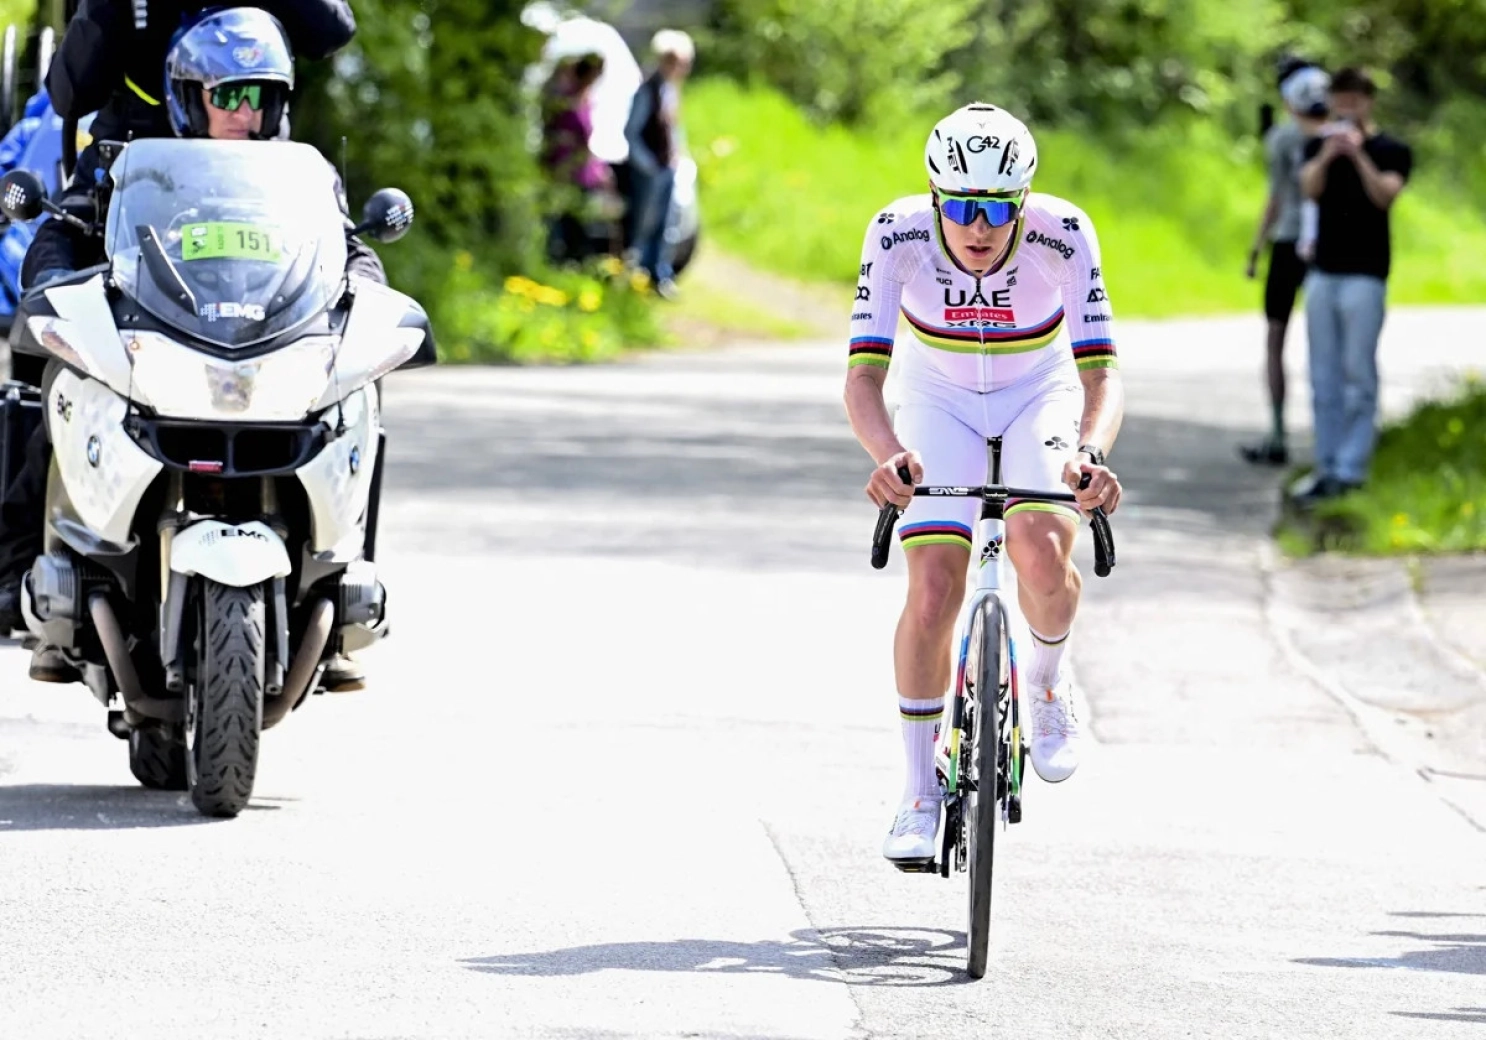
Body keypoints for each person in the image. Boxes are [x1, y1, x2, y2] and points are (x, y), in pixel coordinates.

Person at [0, 8, 385, 690]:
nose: (246, 110)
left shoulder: (292, 171)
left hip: (256, 262)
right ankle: (21, 567)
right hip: (138, 177)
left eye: (259, 99)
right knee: (57, 377)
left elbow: (333, 32)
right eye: (231, 96)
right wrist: (61, 287)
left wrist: (366, 296)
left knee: (356, 383)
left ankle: (342, 575)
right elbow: (70, 96)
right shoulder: (118, 153)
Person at [846, 102, 1124, 863]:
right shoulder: (896, 234)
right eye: (963, 207)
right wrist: (888, 454)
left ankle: (1044, 680)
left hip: (1040, 391)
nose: (980, 227)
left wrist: (1090, 454)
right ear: (936, 198)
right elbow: (865, 378)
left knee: (1039, 550)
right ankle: (915, 792)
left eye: (999, 209)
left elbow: (1101, 374)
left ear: (1023, 202)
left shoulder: (1062, 233)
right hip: (938, 398)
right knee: (933, 587)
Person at [46, 0, 356, 194]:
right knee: (61, 243)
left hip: (254, 149)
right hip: (136, 153)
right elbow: (69, 98)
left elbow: (332, 31)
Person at [1293, 67, 1412, 505]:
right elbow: (1308, 188)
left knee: (1357, 373)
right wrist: (1329, 154)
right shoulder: (1317, 145)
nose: (1347, 107)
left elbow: (1385, 195)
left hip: (1366, 275)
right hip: (1323, 273)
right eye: (1340, 99)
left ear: (1368, 102)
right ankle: (1326, 466)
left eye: (1355, 99)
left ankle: (1352, 467)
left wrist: (1359, 155)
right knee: (1322, 374)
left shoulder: (1391, 149)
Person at [1240, 61, 1331, 467]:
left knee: (1276, 337)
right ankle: (1325, 438)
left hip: (1287, 241)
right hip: (1326, 243)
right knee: (1326, 340)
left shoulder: (1280, 138)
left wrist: (1257, 247)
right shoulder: (1340, 133)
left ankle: (1277, 433)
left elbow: (1276, 198)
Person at [621, 28, 693, 299]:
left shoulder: (669, 90)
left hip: (666, 168)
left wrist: (677, 157)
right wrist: (648, 165)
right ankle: (634, 275)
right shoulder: (647, 89)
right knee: (643, 224)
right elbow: (632, 132)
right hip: (648, 171)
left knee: (666, 225)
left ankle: (658, 274)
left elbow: (673, 129)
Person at [541, 53, 621, 264]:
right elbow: (554, 130)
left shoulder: (586, 100)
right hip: (564, 166)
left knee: (580, 219)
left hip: (581, 167)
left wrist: (600, 168)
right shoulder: (565, 98)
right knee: (561, 217)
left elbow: (586, 139)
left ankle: (575, 261)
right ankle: (558, 259)